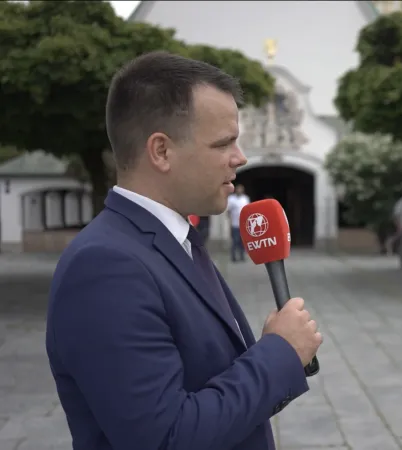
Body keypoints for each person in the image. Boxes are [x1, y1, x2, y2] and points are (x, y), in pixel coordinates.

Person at [45, 51, 323, 450]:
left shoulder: (175, 241)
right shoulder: (104, 267)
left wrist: (272, 355)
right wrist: (279, 354)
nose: (240, 158)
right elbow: (165, 438)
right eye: (224, 142)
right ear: (161, 151)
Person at [227, 184, 250, 262]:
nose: (239, 191)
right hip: (235, 224)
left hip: (244, 225)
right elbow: (229, 211)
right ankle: (233, 257)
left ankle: (242, 256)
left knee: (242, 242)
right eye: (238, 189)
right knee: (235, 241)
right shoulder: (231, 199)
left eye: (241, 189)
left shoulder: (245, 198)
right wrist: (230, 221)